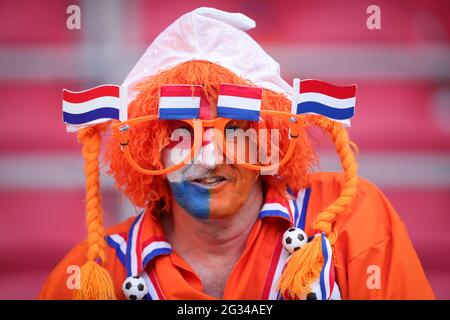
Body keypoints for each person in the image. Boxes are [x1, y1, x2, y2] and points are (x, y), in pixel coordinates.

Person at [39, 7, 434, 300]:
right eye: (180, 133)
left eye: (235, 130)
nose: (209, 159)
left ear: (271, 137)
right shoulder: (90, 275)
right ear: (147, 147)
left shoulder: (351, 220)